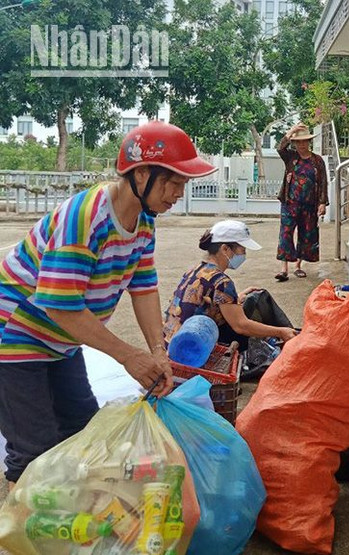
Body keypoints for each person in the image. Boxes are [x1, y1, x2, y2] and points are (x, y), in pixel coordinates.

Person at [0, 120, 216, 487]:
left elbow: (143, 285)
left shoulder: (145, 220)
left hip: (61, 341)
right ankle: (29, 528)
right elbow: (60, 305)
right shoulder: (85, 218)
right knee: (35, 450)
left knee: (82, 430)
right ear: (141, 173)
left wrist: (157, 350)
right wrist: (129, 355)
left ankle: (69, 514)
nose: (179, 193)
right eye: (173, 182)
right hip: (15, 336)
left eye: (183, 183)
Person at [164, 220, 296, 353]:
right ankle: (290, 337)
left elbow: (205, 303)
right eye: (242, 249)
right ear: (225, 249)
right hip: (193, 348)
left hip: (171, 342)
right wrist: (280, 332)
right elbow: (241, 326)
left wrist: (235, 298)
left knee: (251, 299)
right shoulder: (221, 282)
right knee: (251, 328)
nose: (244, 254)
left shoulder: (196, 270)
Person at [275, 123, 328, 282]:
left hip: (309, 205)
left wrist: (322, 202)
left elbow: (323, 182)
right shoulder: (290, 157)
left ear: (309, 142)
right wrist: (291, 132)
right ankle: (283, 269)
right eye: (298, 142)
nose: (302, 145)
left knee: (306, 236)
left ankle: (298, 266)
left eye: (305, 141)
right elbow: (280, 148)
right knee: (286, 233)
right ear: (294, 143)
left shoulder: (317, 161)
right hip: (289, 203)